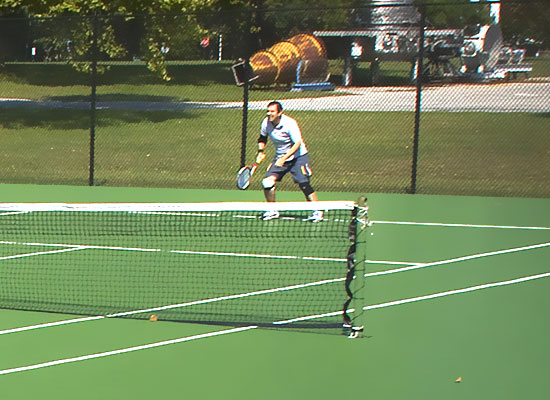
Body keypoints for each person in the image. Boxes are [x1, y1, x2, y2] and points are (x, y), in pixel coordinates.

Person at [255, 101, 323, 222]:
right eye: (268, 111)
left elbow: (297, 144)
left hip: (298, 156)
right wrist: (261, 151)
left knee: (304, 183)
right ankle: (272, 210)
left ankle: (317, 210)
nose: (269, 113)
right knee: (267, 182)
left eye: (272, 111)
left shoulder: (290, 123)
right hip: (280, 157)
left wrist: (284, 158)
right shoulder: (266, 122)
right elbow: (262, 137)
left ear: (280, 112)